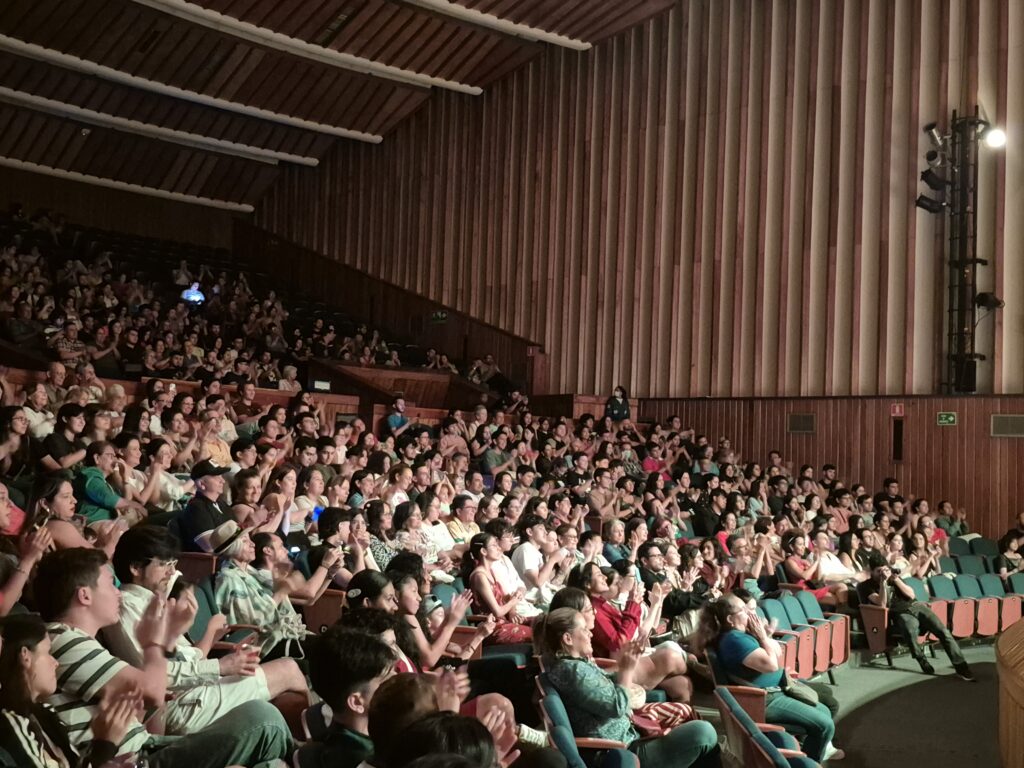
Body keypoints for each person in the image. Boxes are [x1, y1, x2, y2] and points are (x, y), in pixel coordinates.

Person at [32, 547, 293, 766]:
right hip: (133, 759)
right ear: (84, 595)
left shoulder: (82, 641)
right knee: (262, 719)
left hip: (145, 745)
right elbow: (153, 692)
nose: (118, 591)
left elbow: (153, 706)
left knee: (271, 762)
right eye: (110, 583)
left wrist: (165, 642)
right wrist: (155, 644)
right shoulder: (61, 640)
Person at [104, 526, 308, 733]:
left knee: (282, 689)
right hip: (183, 705)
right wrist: (219, 667)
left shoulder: (153, 602)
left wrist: (217, 651)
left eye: (173, 563)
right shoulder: (128, 606)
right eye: (165, 564)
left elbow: (186, 659)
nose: (172, 571)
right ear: (136, 568)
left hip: (199, 689)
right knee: (289, 670)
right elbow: (155, 675)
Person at [536, 608, 720, 768]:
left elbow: (603, 681)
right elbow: (617, 707)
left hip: (628, 734)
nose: (590, 633)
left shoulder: (570, 664)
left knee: (698, 730)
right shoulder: (574, 671)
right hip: (621, 750)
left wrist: (628, 662)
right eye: (584, 630)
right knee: (704, 732)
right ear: (567, 638)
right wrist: (626, 670)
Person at [693, 595, 842, 763]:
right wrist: (763, 637)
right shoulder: (735, 641)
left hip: (774, 690)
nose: (751, 612)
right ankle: (807, 764)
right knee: (825, 725)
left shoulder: (741, 635)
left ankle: (807, 755)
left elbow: (777, 653)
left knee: (824, 711)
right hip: (764, 699)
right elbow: (771, 665)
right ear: (730, 619)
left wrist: (765, 635)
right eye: (743, 610)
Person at [0, 613, 137, 768]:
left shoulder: (46, 714)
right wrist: (105, 745)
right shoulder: (10, 722)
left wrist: (102, 742)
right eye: (47, 652)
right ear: (26, 657)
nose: (55, 663)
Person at [295, 625, 397, 768]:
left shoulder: (340, 739)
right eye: (386, 680)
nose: (397, 680)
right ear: (356, 702)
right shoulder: (364, 759)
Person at [208, 521, 310, 660]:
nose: (253, 544)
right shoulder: (229, 578)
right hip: (260, 645)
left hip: (277, 635)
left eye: (250, 539)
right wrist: (280, 593)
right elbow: (253, 624)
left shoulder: (248, 572)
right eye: (245, 541)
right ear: (233, 548)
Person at [857, 564, 975, 681]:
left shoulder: (894, 578)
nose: (883, 573)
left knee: (943, 631)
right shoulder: (865, 586)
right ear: (871, 571)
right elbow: (882, 603)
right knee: (910, 630)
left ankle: (961, 667)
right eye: (878, 571)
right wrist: (883, 582)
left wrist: (896, 579)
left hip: (915, 605)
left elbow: (911, 594)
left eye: (885, 569)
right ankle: (920, 658)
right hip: (900, 612)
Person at [177, 458, 231, 551]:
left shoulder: (222, 504)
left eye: (221, 476)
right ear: (201, 484)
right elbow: (210, 546)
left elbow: (238, 533)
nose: (223, 481)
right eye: (216, 477)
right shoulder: (196, 508)